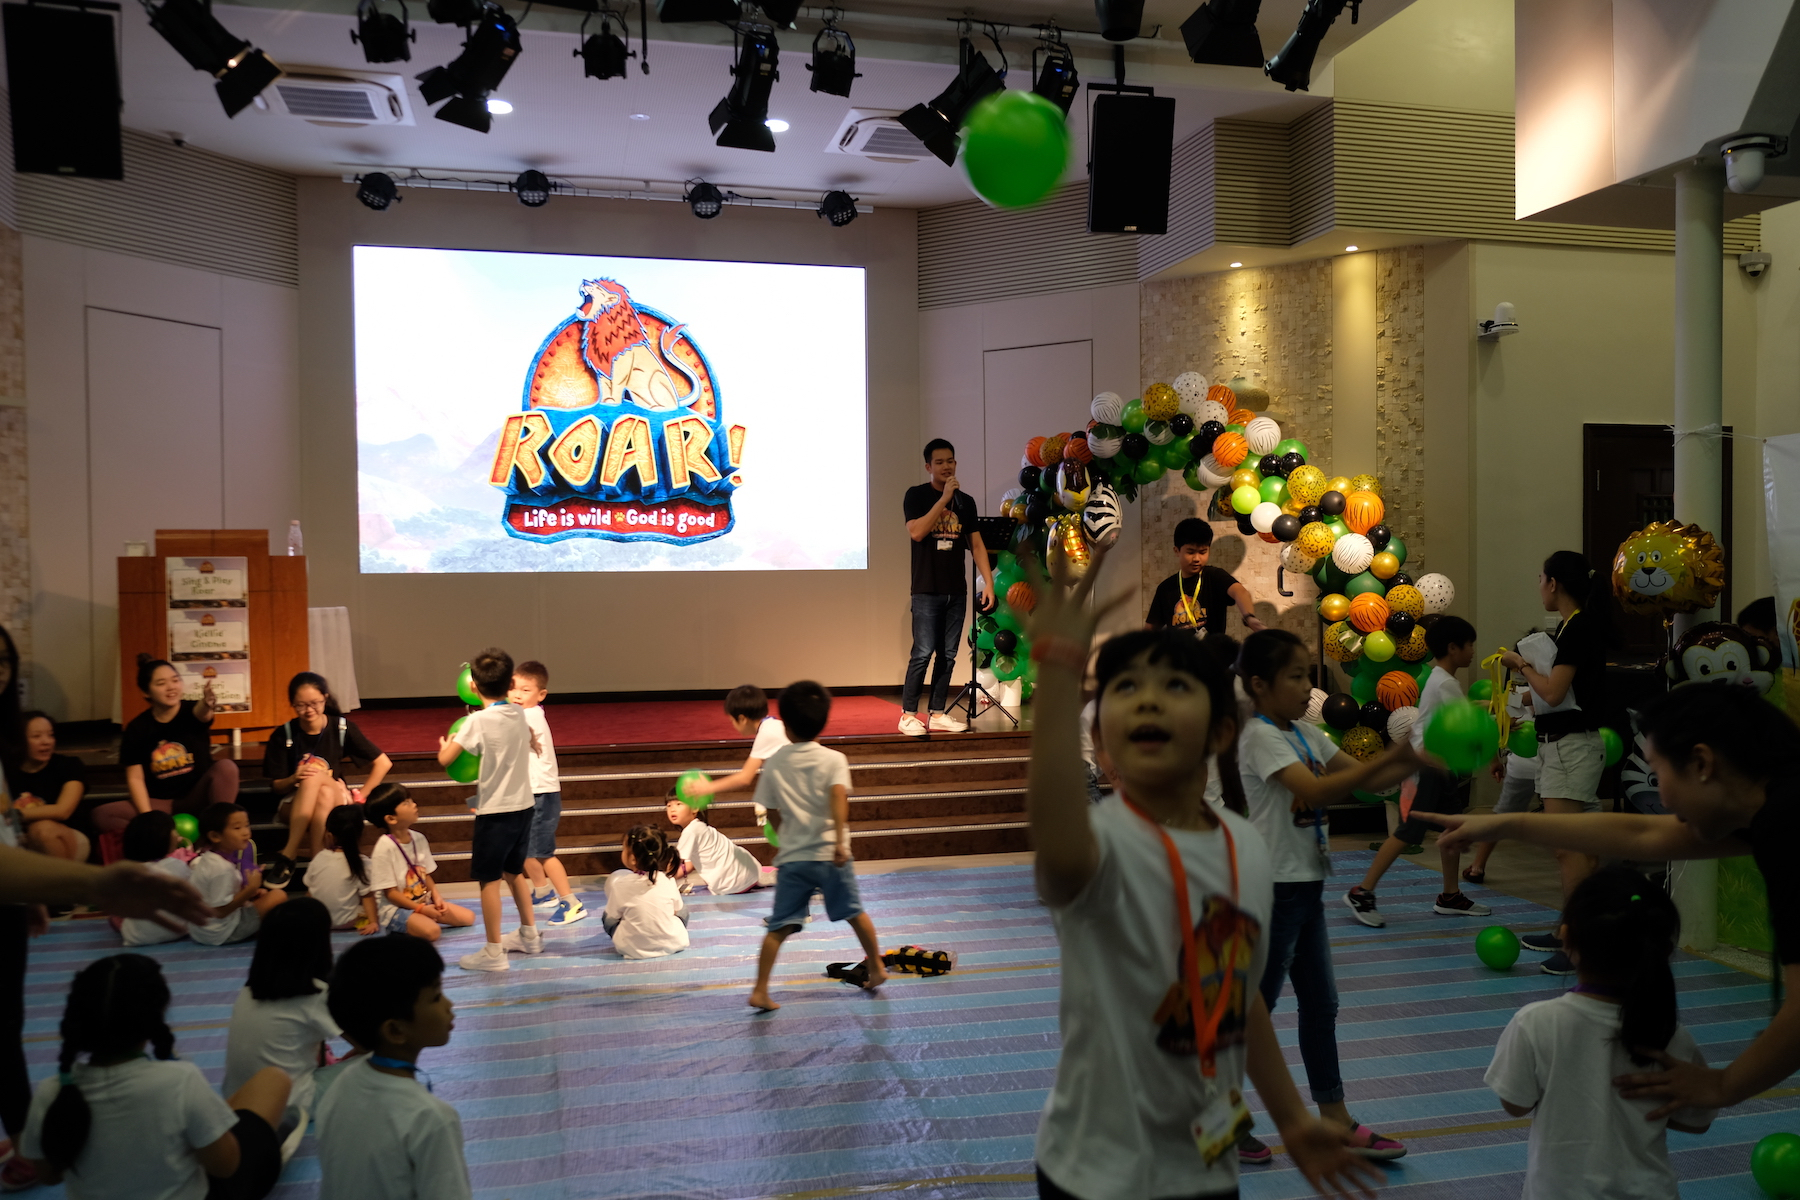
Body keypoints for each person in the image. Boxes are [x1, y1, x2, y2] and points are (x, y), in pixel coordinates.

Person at [1023, 543, 1383, 1200]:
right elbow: (1053, 832)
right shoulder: (1099, 844)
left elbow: (1236, 996)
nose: (1148, 701)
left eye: (1174, 686)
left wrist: (1293, 1120)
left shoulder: (1245, 846)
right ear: (1101, 739)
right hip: (1095, 1175)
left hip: (1205, 1167)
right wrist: (1057, 668)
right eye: (1126, 688)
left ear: (1220, 733)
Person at [1428, 684, 1800, 1124]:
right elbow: (1642, 835)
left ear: (1701, 764)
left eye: (1658, 774)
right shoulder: (1774, 806)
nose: (1662, 800)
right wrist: (1503, 825)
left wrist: (1724, 1086)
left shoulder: (1788, 828)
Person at [1234, 629, 1417, 1163]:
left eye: (1307, 675)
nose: (1306, 687)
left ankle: (1334, 1117)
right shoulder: (1259, 736)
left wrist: (1418, 758)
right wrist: (1399, 757)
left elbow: (1365, 781)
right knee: (1254, 1012)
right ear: (1259, 685)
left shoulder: (1306, 735)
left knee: (1321, 1005)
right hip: (1271, 890)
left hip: (1306, 887)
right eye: (1295, 677)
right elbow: (1314, 790)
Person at [1485, 867, 1714, 1199]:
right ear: (1662, 951)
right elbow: (1696, 1121)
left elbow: (1515, 1103)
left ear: (1566, 938)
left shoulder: (1535, 1022)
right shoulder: (1672, 1034)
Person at [20, 954, 291, 1200]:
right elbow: (226, 1166)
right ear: (156, 1015)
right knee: (273, 1081)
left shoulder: (51, 1092)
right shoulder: (179, 1081)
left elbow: (48, 1175)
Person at [1498, 551, 1617, 975]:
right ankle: (1569, 928)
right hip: (1563, 746)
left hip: (1571, 748)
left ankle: (1577, 942)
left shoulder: (1578, 627)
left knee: (1568, 848)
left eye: (1541, 578)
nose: (1539, 586)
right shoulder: (1571, 626)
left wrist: (1520, 664)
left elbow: (1552, 693)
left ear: (1554, 584)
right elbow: (1559, 696)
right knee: (1575, 847)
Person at [749, 681, 887, 1011]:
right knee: (854, 912)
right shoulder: (834, 759)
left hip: (794, 858)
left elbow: (770, 810)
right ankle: (878, 967)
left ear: (785, 723)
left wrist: (783, 836)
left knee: (779, 927)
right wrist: (839, 842)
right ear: (823, 721)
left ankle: (760, 990)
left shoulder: (775, 762)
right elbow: (838, 799)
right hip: (830, 855)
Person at [1346, 615, 1492, 925]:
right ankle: (1362, 892)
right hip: (1426, 768)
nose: (1472, 652)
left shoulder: (1443, 680)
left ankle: (1450, 896)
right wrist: (1492, 750)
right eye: (1469, 645)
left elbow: (1462, 712)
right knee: (1407, 833)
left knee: (1453, 829)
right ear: (1453, 648)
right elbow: (1463, 725)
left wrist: (1493, 708)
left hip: (1440, 769)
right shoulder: (1445, 682)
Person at [317, 935, 470, 1200]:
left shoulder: (342, 1085)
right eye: (436, 997)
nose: (449, 1004)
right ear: (395, 1031)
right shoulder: (431, 1118)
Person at [438, 649, 540, 972]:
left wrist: (444, 746)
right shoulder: (518, 713)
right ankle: (529, 935)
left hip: (495, 813)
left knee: (489, 881)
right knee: (514, 872)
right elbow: (528, 738)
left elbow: (446, 759)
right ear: (510, 684)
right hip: (524, 807)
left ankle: (494, 952)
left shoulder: (476, 721)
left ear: (473, 686)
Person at [260, 672, 392, 890]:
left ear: (325, 698)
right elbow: (276, 786)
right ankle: (317, 864)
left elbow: (383, 763)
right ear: (292, 703)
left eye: (315, 703)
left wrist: (361, 796)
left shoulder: (341, 728)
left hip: (338, 797)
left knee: (316, 777)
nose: (309, 710)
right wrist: (294, 778)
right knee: (322, 792)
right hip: (294, 802)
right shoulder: (284, 734)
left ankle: (289, 854)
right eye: (301, 705)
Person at [900, 439, 996, 737]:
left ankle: (938, 713)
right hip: (926, 589)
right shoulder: (916, 495)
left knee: (949, 654)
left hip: (957, 590)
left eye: (950, 461)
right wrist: (943, 499)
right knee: (922, 652)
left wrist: (989, 583)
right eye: (939, 462)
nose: (946, 466)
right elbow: (917, 532)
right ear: (928, 466)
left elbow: (976, 545)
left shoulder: (966, 502)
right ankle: (908, 715)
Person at [224, 897, 343, 1130]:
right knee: (378, 1063)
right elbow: (368, 1043)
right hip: (289, 1105)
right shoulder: (314, 994)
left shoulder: (249, 990)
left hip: (238, 1099)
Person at [97, 657, 238, 838]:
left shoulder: (191, 710)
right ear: (146, 692)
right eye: (161, 683)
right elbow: (135, 779)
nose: (171, 687)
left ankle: (218, 836)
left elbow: (202, 713)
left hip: (197, 797)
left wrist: (207, 703)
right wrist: (150, 819)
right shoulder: (137, 728)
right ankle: (161, 844)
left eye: (175, 680)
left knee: (226, 768)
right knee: (103, 814)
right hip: (162, 803)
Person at [510, 662, 584, 926]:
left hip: (541, 793)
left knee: (543, 852)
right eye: (513, 688)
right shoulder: (524, 713)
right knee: (524, 846)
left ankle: (571, 902)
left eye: (526, 690)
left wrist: (482, 695)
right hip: (531, 792)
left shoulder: (529, 716)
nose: (517, 695)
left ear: (541, 694)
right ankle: (542, 891)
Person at [363, 783, 474, 942]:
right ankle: (400, 928)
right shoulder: (384, 847)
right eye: (406, 803)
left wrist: (437, 898)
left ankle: (418, 922)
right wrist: (421, 910)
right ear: (391, 818)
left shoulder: (418, 838)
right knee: (432, 932)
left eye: (411, 800)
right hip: (396, 909)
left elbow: (425, 874)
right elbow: (391, 894)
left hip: (421, 902)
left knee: (468, 917)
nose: (414, 804)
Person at [1464, 669, 1541, 885]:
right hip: (1553, 762)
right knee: (1565, 818)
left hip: (1522, 765)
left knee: (1501, 816)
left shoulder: (1515, 697)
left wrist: (1494, 761)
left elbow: (1489, 726)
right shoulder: (1554, 693)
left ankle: (1477, 866)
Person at [678, 685, 789, 830]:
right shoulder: (774, 725)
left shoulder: (766, 733)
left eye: (732, 721)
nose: (733, 726)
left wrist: (708, 787)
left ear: (742, 719)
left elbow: (744, 778)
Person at [1146, 518, 1266, 636]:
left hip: (1212, 649)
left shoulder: (1214, 576)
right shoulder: (1166, 588)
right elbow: (1150, 629)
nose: (1197, 558)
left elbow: (1240, 592)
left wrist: (1249, 617)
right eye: (1191, 552)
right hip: (1180, 649)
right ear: (1177, 551)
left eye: (1203, 552)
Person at [189, 802, 287, 945]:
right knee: (278, 895)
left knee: (265, 896)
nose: (246, 832)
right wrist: (250, 889)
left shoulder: (211, 859)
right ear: (215, 836)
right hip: (221, 932)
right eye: (237, 828)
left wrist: (250, 893)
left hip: (201, 931)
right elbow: (220, 912)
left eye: (246, 825)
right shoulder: (221, 868)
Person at [5, 712, 91, 863]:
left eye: (50, 735)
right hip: (18, 836)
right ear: (18, 740)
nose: (46, 742)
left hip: (65, 835)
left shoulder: (69, 765)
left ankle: (63, 878)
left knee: (41, 830)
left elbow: (62, 811)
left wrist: (13, 814)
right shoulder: (7, 770)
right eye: (36, 736)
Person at [602, 824, 690, 960]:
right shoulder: (668, 880)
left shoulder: (620, 885)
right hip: (674, 944)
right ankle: (665, 935)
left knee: (607, 917)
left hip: (632, 949)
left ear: (632, 858)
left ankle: (639, 938)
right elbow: (679, 910)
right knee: (682, 911)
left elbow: (611, 918)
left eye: (624, 848)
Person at [117, 811, 196, 947]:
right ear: (164, 837)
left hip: (136, 938)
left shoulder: (128, 872)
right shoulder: (178, 865)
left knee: (116, 917)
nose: (177, 835)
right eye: (174, 830)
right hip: (179, 931)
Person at [666, 790, 766, 895]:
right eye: (669, 806)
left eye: (678, 804)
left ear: (695, 808)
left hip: (730, 885)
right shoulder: (702, 827)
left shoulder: (690, 832)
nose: (672, 809)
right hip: (750, 875)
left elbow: (675, 862)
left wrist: (663, 880)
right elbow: (689, 865)